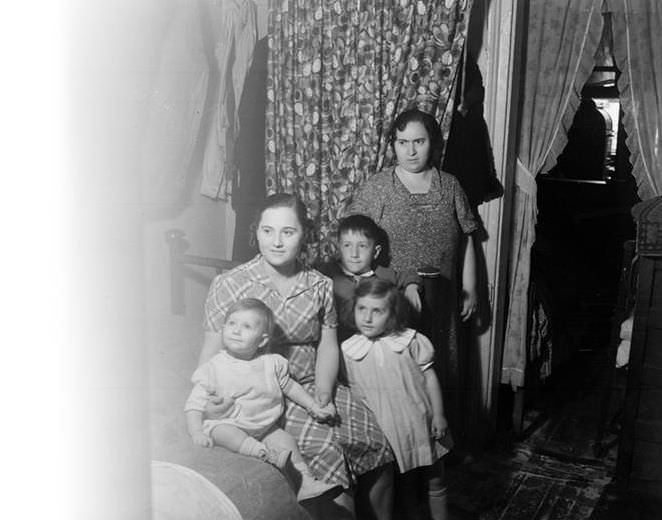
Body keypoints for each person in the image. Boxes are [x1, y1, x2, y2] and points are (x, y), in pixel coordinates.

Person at [199, 193, 395, 520]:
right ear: (256, 232)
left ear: (305, 234)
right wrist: (209, 401)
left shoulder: (319, 284)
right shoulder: (229, 284)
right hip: (261, 395)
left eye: (288, 232)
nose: (276, 241)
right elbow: (209, 353)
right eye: (267, 231)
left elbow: (328, 344)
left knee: (374, 438)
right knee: (327, 452)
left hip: (310, 382)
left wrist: (322, 392)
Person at [347, 107, 479, 443]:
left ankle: (439, 450)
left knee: (441, 371)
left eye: (418, 141)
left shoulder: (450, 186)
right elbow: (356, 244)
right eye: (402, 142)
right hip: (395, 303)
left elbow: (467, 240)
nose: (410, 150)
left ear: (432, 143)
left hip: (444, 300)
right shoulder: (378, 187)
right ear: (392, 144)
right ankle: (402, 453)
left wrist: (471, 287)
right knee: (401, 376)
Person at [185, 298, 336, 502]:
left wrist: (312, 406)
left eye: (246, 326)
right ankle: (264, 454)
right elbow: (194, 404)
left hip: (265, 426)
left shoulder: (271, 363)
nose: (236, 331)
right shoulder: (214, 368)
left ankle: (306, 483)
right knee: (226, 433)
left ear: (263, 339)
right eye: (231, 323)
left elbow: (290, 387)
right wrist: (196, 431)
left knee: (287, 441)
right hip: (227, 423)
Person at [342, 278, 452, 520]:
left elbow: (430, 379)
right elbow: (354, 392)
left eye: (377, 311)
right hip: (388, 430)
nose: (367, 318)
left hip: (422, 420)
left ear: (392, 314)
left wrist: (440, 414)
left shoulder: (410, 340)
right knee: (405, 486)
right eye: (362, 309)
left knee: (435, 477)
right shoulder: (349, 350)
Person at [318, 214, 421, 345]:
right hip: (338, 344)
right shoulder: (328, 273)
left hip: (376, 345)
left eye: (362, 246)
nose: (354, 254)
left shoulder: (384, 274)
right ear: (339, 247)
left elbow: (409, 275)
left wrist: (412, 287)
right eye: (347, 245)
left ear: (375, 251)